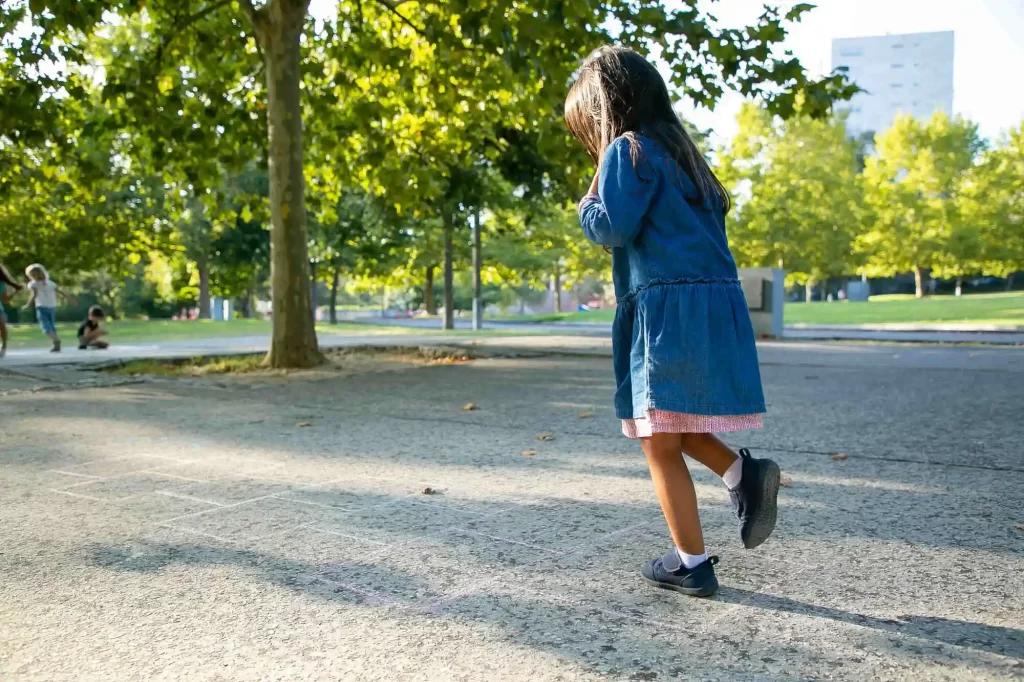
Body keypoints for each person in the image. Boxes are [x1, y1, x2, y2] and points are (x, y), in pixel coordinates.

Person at [565, 46, 780, 598]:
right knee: (674, 423)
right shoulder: (685, 157)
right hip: (711, 305)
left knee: (657, 440)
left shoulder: (626, 151)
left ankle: (692, 563)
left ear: (606, 109)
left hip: (664, 311)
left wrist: (587, 202)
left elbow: (612, 228)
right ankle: (741, 475)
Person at [22, 264, 68, 353]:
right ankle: (55, 342)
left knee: (45, 326)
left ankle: (55, 340)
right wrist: (66, 298)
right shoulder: (50, 283)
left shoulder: (33, 284)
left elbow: (34, 295)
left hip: (41, 306)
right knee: (51, 325)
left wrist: (28, 304)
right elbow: (59, 291)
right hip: (52, 306)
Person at [0, 262, 24, 359]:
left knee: (2, 326)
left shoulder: (1, 285)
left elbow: (5, 300)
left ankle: (4, 345)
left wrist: (14, 292)